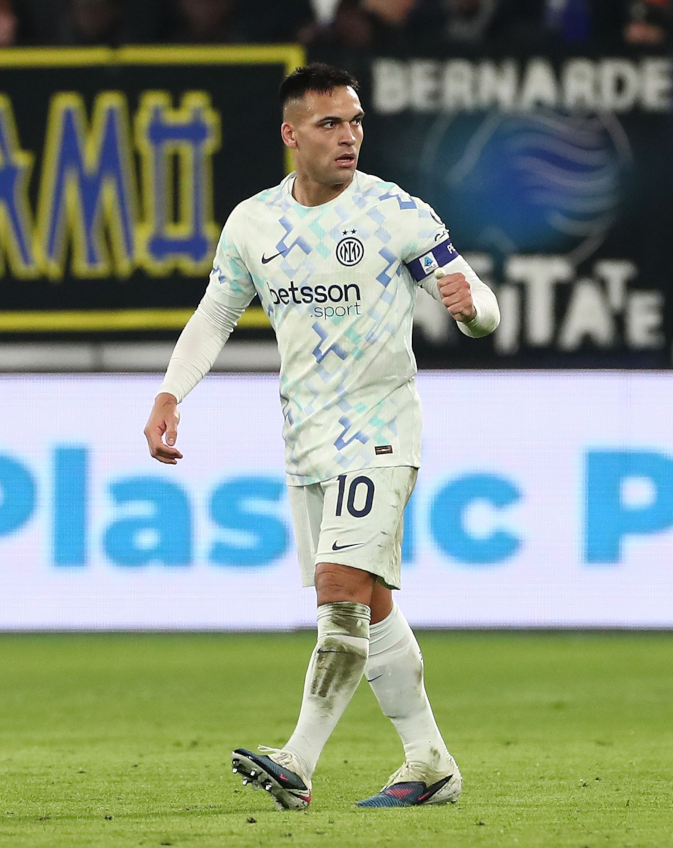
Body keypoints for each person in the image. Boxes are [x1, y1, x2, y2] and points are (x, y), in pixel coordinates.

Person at [142, 63, 499, 809]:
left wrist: (473, 310)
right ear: (290, 134)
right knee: (369, 605)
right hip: (307, 439)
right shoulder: (253, 225)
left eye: (356, 121)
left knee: (339, 593)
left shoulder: (397, 213)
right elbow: (216, 317)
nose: (349, 136)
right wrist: (173, 392)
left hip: (380, 429)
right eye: (330, 124)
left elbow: (477, 304)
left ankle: (297, 762)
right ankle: (429, 764)